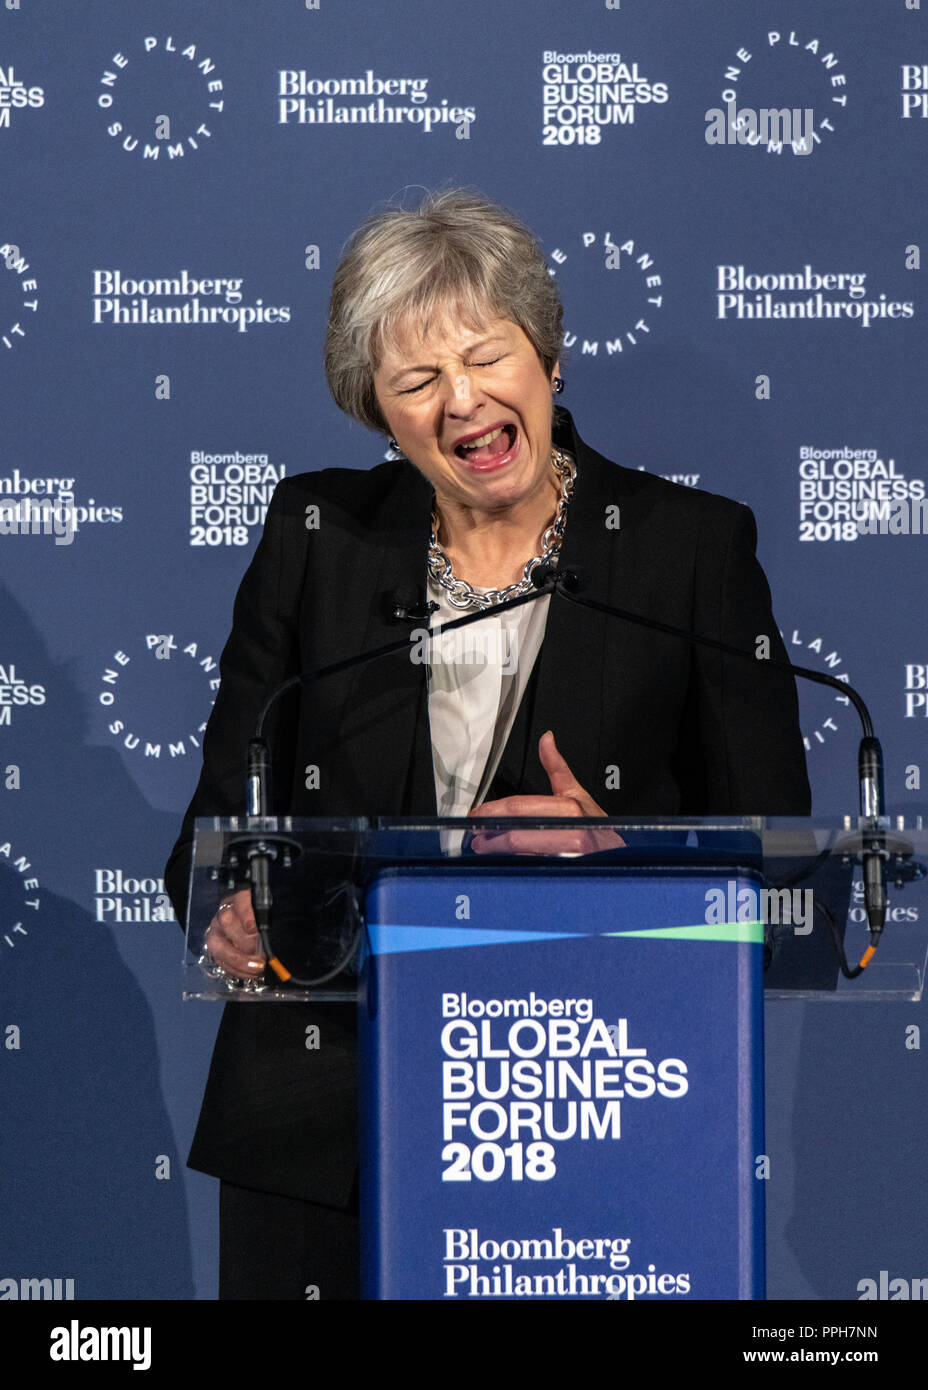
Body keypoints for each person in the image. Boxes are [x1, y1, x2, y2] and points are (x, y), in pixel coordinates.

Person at [165, 188, 810, 1300]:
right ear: (377, 410)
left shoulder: (686, 552)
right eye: (417, 381)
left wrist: (626, 864)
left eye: (485, 356)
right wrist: (234, 915)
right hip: (324, 1130)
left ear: (547, 357)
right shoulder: (315, 538)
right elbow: (214, 839)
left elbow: (795, 879)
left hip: (585, 1110)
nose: (461, 399)